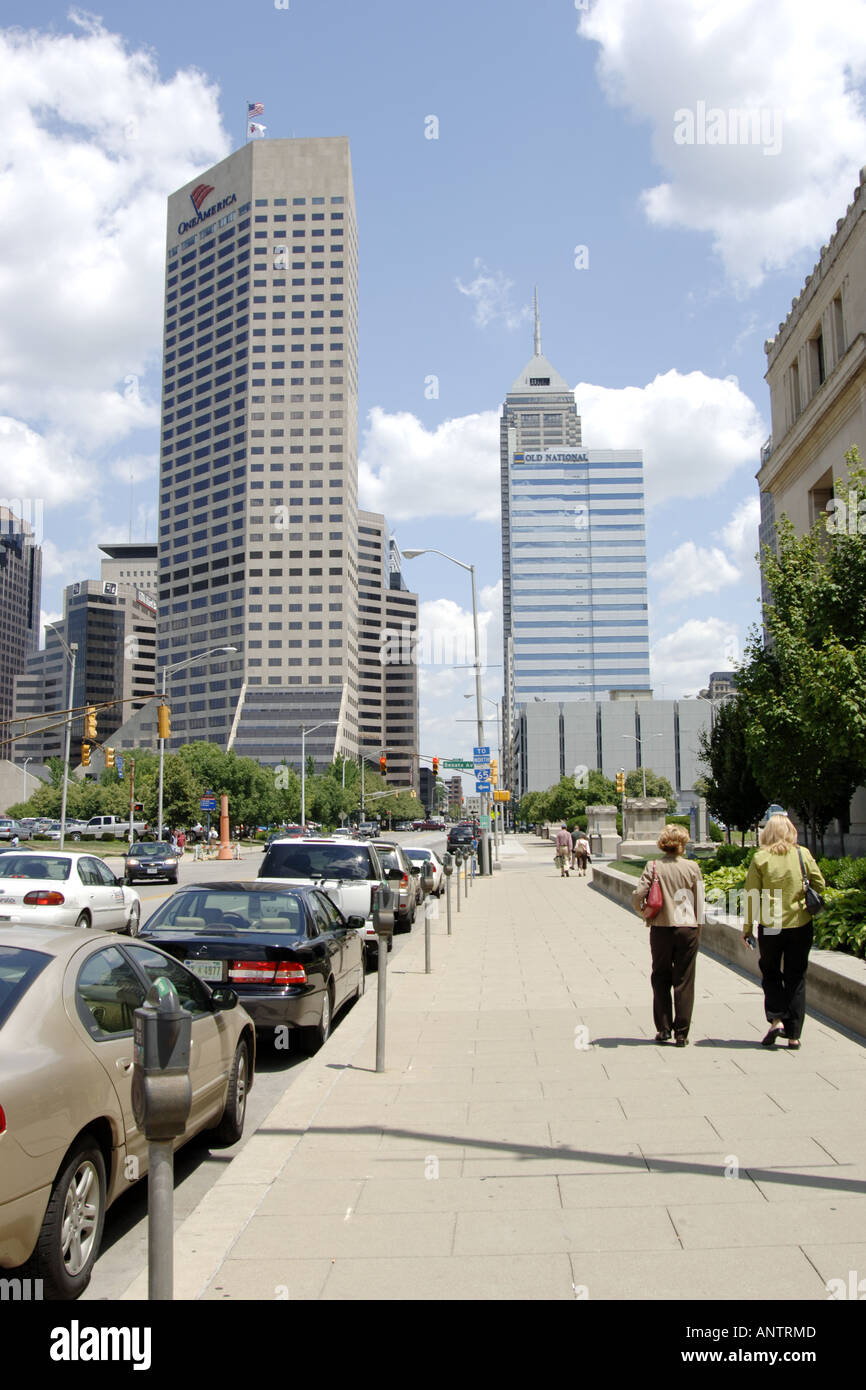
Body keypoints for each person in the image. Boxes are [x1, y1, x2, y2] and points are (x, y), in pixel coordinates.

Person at [742, 813, 826, 1049]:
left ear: (767, 833)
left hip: (770, 924)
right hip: (800, 922)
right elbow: (820, 884)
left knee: (770, 972)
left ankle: (777, 1019)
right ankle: (794, 1035)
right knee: (796, 976)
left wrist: (747, 928)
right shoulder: (802, 854)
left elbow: (751, 896)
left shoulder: (760, 858)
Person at [632, 824, 704, 1045]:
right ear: (683, 843)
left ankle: (663, 1028)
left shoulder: (653, 866)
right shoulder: (692, 867)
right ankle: (682, 1033)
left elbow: (638, 895)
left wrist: (644, 913)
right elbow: (700, 901)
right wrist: (698, 927)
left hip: (661, 928)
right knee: (684, 979)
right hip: (687, 928)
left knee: (660, 976)